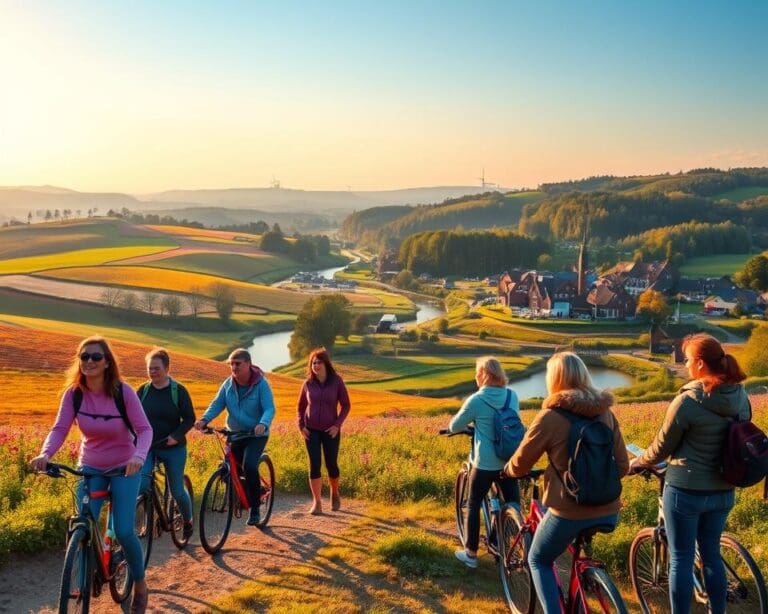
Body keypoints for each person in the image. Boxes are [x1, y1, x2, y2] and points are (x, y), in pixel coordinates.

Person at [30, 336, 153, 614]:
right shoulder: (74, 393)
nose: (88, 361)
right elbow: (60, 428)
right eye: (83, 356)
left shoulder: (123, 392)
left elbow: (145, 430)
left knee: (123, 529)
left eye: (95, 357)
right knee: (83, 522)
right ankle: (85, 577)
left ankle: (141, 584)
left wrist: (138, 457)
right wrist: (45, 454)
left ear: (107, 362)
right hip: (91, 466)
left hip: (124, 466)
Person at [630, 334, 749, 614]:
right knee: (711, 556)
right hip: (722, 490)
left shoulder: (689, 400)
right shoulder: (740, 396)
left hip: (686, 490)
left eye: (686, 360)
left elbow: (660, 447)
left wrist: (639, 462)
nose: (684, 365)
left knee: (681, 559)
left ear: (699, 363)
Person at [505, 352, 628, 613]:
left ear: (554, 380)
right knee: (565, 551)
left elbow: (521, 463)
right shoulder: (606, 413)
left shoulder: (550, 417)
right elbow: (623, 466)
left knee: (538, 558)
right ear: (584, 375)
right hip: (609, 509)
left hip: (569, 512)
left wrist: (509, 470)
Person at [448, 356, 520, 568]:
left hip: (486, 462)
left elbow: (454, 426)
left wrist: (468, 425)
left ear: (481, 375)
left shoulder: (477, 400)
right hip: (509, 460)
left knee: (473, 503)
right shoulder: (511, 396)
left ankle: (470, 554)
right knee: (512, 504)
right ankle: (503, 544)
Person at [195, 348, 275, 526]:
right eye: (231, 363)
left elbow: (269, 407)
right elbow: (217, 404)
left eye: (237, 363)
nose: (233, 366)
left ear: (248, 364)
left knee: (249, 466)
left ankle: (255, 509)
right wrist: (204, 419)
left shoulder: (261, 384)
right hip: (234, 434)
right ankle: (253, 492)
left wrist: (263, 423)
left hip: (256, 435)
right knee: (227, 472)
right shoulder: (228, 384)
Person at [137, 347, 196, 539]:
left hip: (173, 448)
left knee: (177, 491)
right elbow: (133, 417)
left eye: (156, 368)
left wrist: (176, 436)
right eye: (150, 368)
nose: (152, 372)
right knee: (142, 484)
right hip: (148, 447)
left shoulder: (178, 391)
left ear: (167, 368)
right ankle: (150, 519)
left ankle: (188, 520)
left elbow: (189, 418)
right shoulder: (143, 391)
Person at [297, 348, 351, 515]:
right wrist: (301, 426)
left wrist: (337, 425)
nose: (315, 365)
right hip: (311, 430)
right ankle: (317, 502)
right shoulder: (307, 384)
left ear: (326, 363)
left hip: (330, 431)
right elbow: (300, 407)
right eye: (313, 362)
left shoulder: (337, 382)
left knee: (331, 464)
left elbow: (346, 405)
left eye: (319, 362)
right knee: (314, 464)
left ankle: (334, 494)